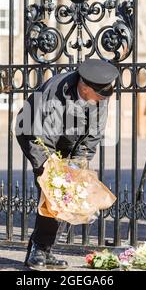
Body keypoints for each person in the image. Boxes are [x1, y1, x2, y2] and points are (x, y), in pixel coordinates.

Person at [16, 59, 119, 270]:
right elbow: (41, 137)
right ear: (84, 87)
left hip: (67, 141)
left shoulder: (100, 97)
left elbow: (93, 136)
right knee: (53, 192)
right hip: (35, 135)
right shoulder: (56, 94)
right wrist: (52, 170)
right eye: (99, 96)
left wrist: (78, 166)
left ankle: (44, 250)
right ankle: (38, 250)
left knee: (68, 193)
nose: (102, 100)